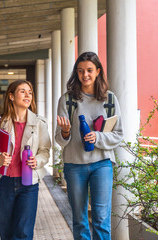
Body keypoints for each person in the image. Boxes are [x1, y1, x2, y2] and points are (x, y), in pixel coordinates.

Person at [55, 52, 124, 239]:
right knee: (79, 219)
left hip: (102, 164)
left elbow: (118, 135)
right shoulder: (67, 100)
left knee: (101, 218)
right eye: (80, 71)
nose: (85, 75)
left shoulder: (109, 99)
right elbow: (59, 140)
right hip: (74, 165)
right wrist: (66, 132)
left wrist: (98, 137)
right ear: (76, 73)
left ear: (98, 71)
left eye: (89, 70)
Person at [0, 80, 51, 240]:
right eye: (22, 91)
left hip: (29, 184)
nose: (28, 95)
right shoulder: (1, 123)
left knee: (23, 233)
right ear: (11, 96)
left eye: (30, 92)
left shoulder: (39, 123)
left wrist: (38, 160)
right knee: (6, 232)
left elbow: (45, 150)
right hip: (5, 182)